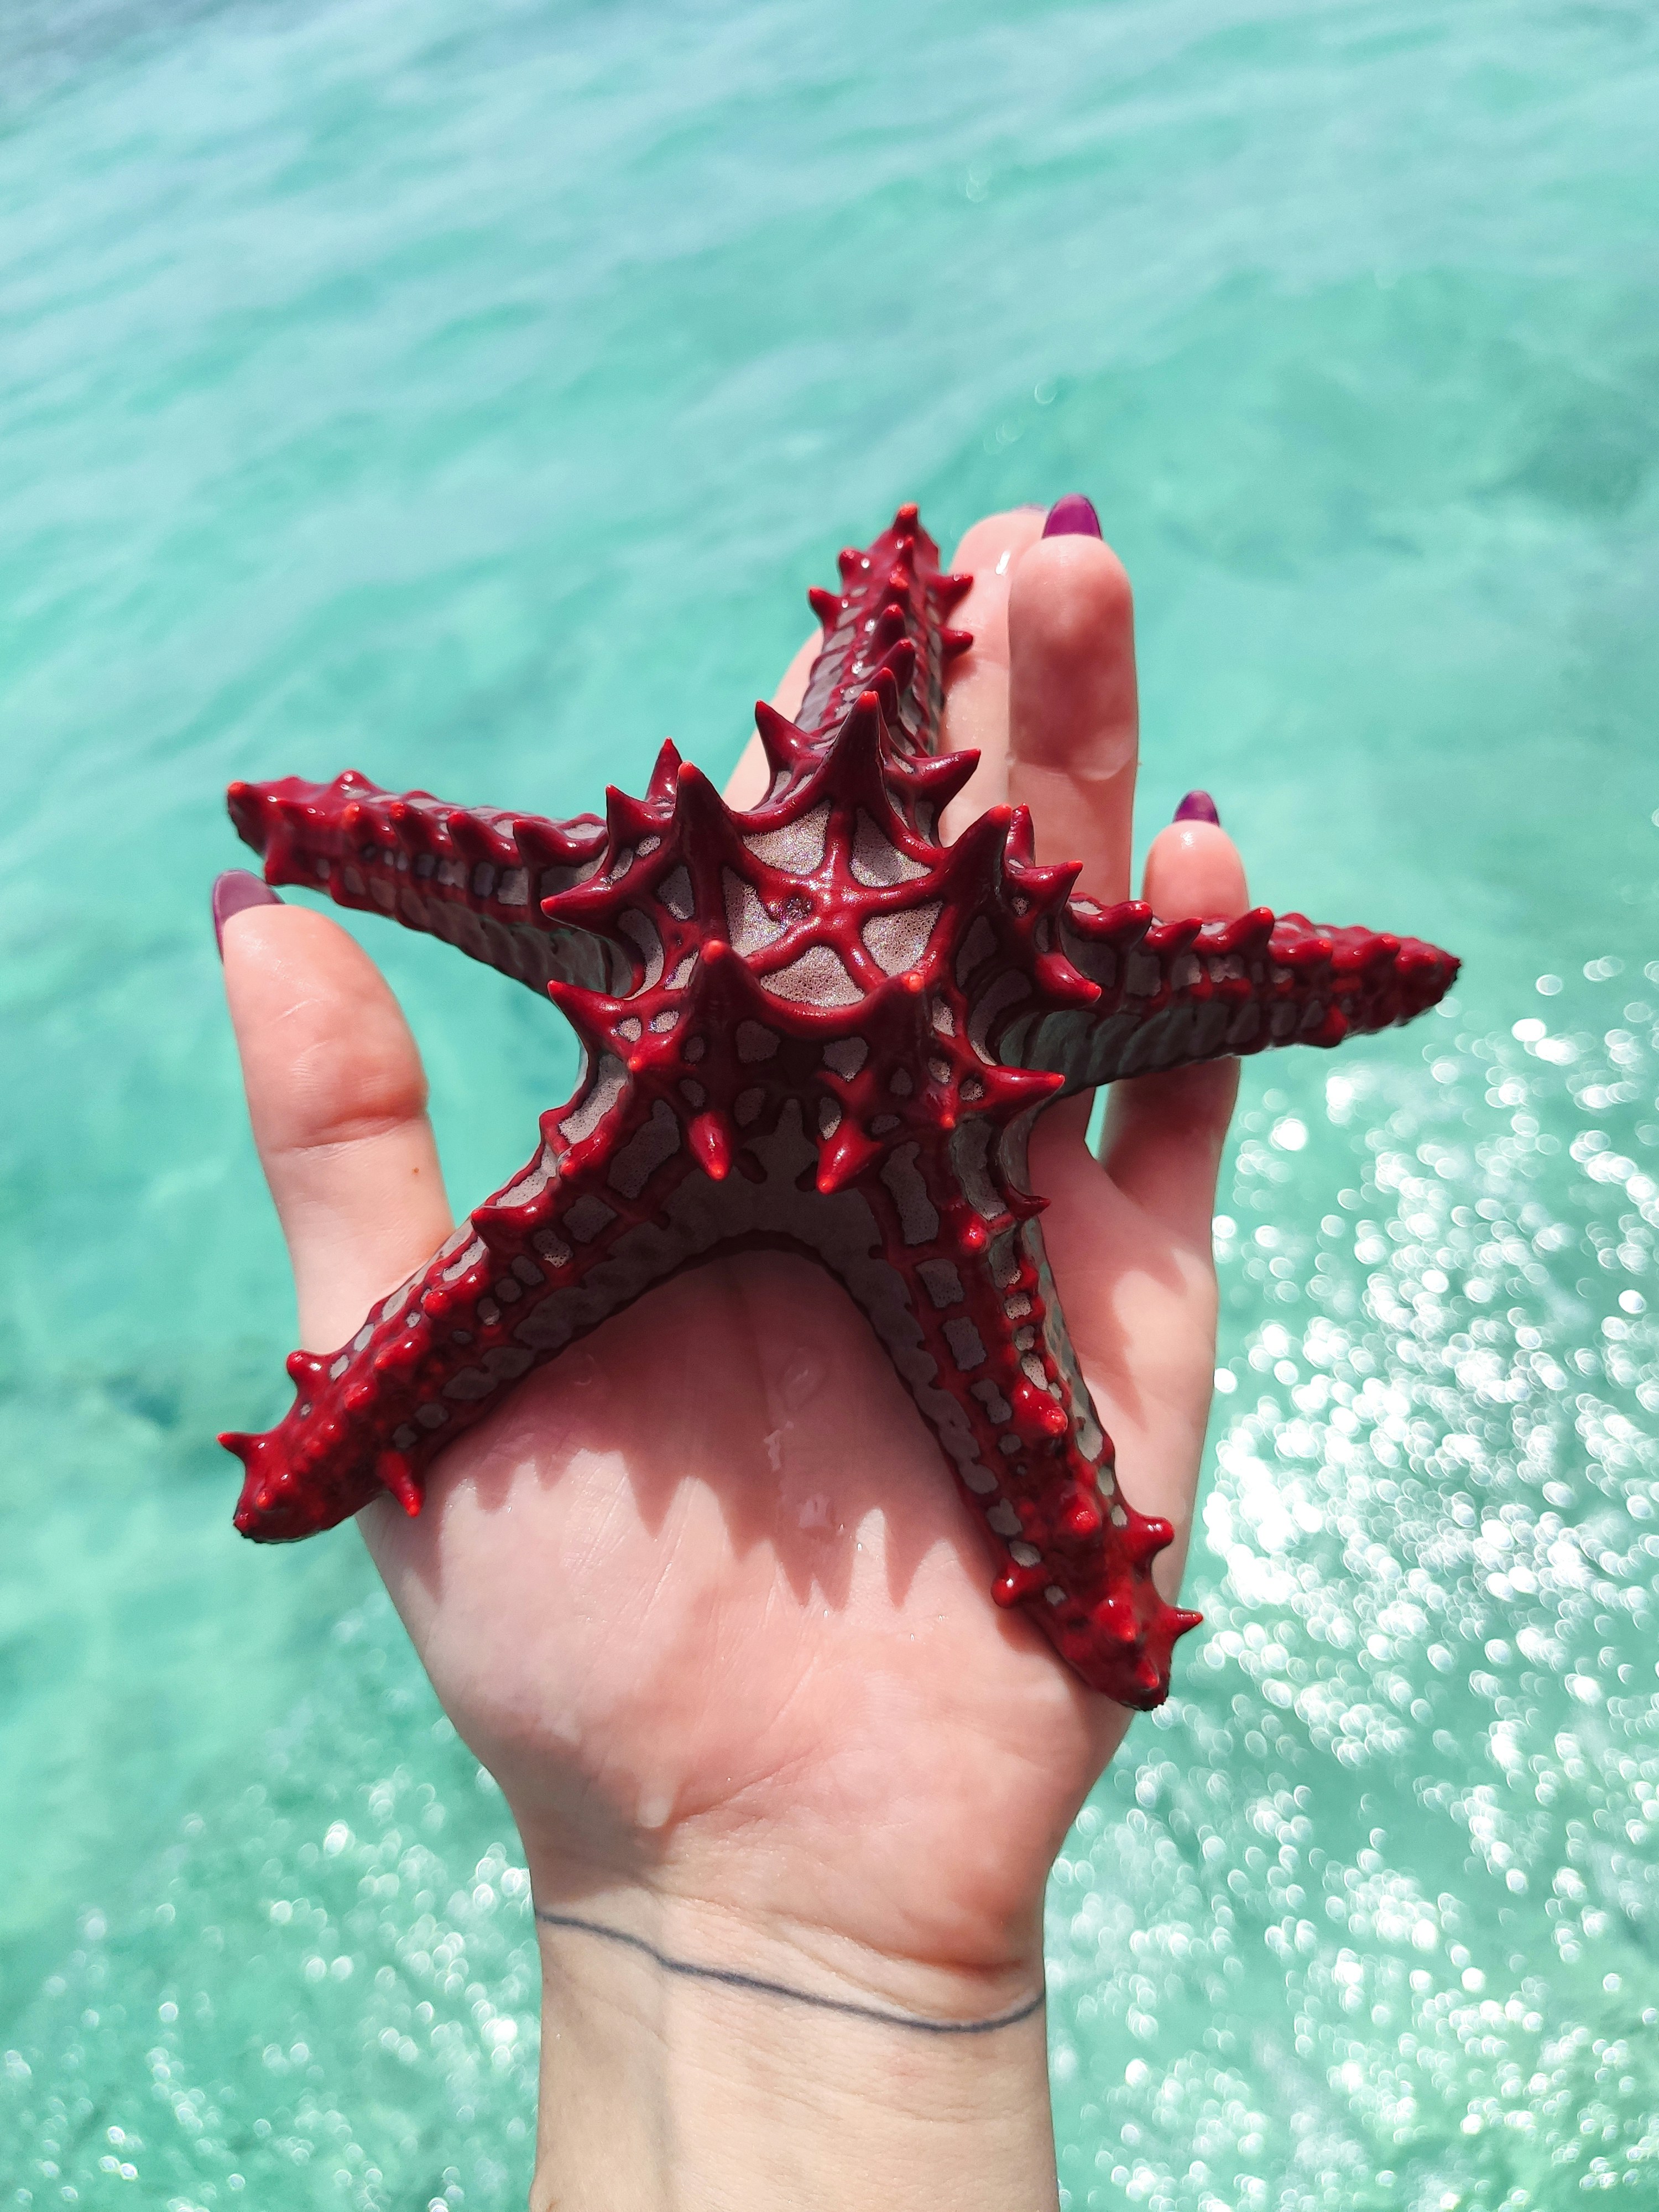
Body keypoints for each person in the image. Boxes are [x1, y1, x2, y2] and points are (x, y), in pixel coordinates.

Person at [213, 496, 1248, 2210]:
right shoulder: (968, 976)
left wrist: (319, 844)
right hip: (882, 1083)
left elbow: (404, 849)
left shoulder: (649, 903)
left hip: (731, 984)